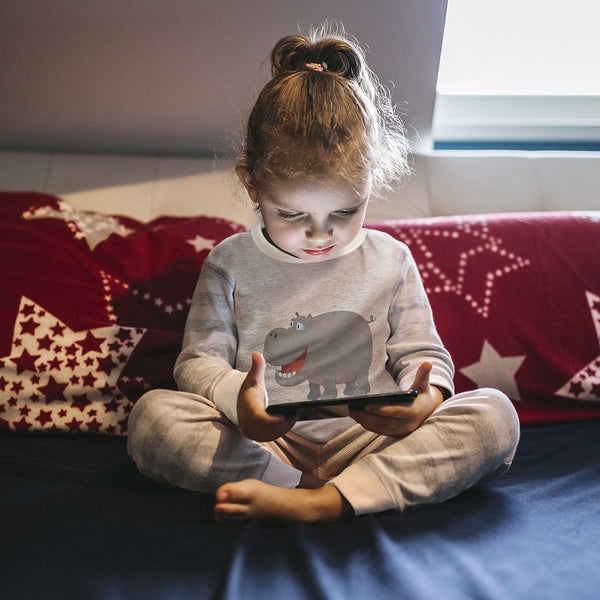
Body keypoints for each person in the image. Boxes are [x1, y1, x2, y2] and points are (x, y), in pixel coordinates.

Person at [127, 24, 520, 524]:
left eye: (344, 212)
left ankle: (323, 500)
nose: (320, 236)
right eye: (292, 215)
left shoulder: (392, 258)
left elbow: (423, 353)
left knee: (494, 416)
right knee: (154, 417)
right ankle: (306, 489)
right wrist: (238, 402)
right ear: (251, 184)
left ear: (370, 181)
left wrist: (426, 400)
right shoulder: (229, 262)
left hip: (373, 442)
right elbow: (198, 362)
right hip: (265, 444)